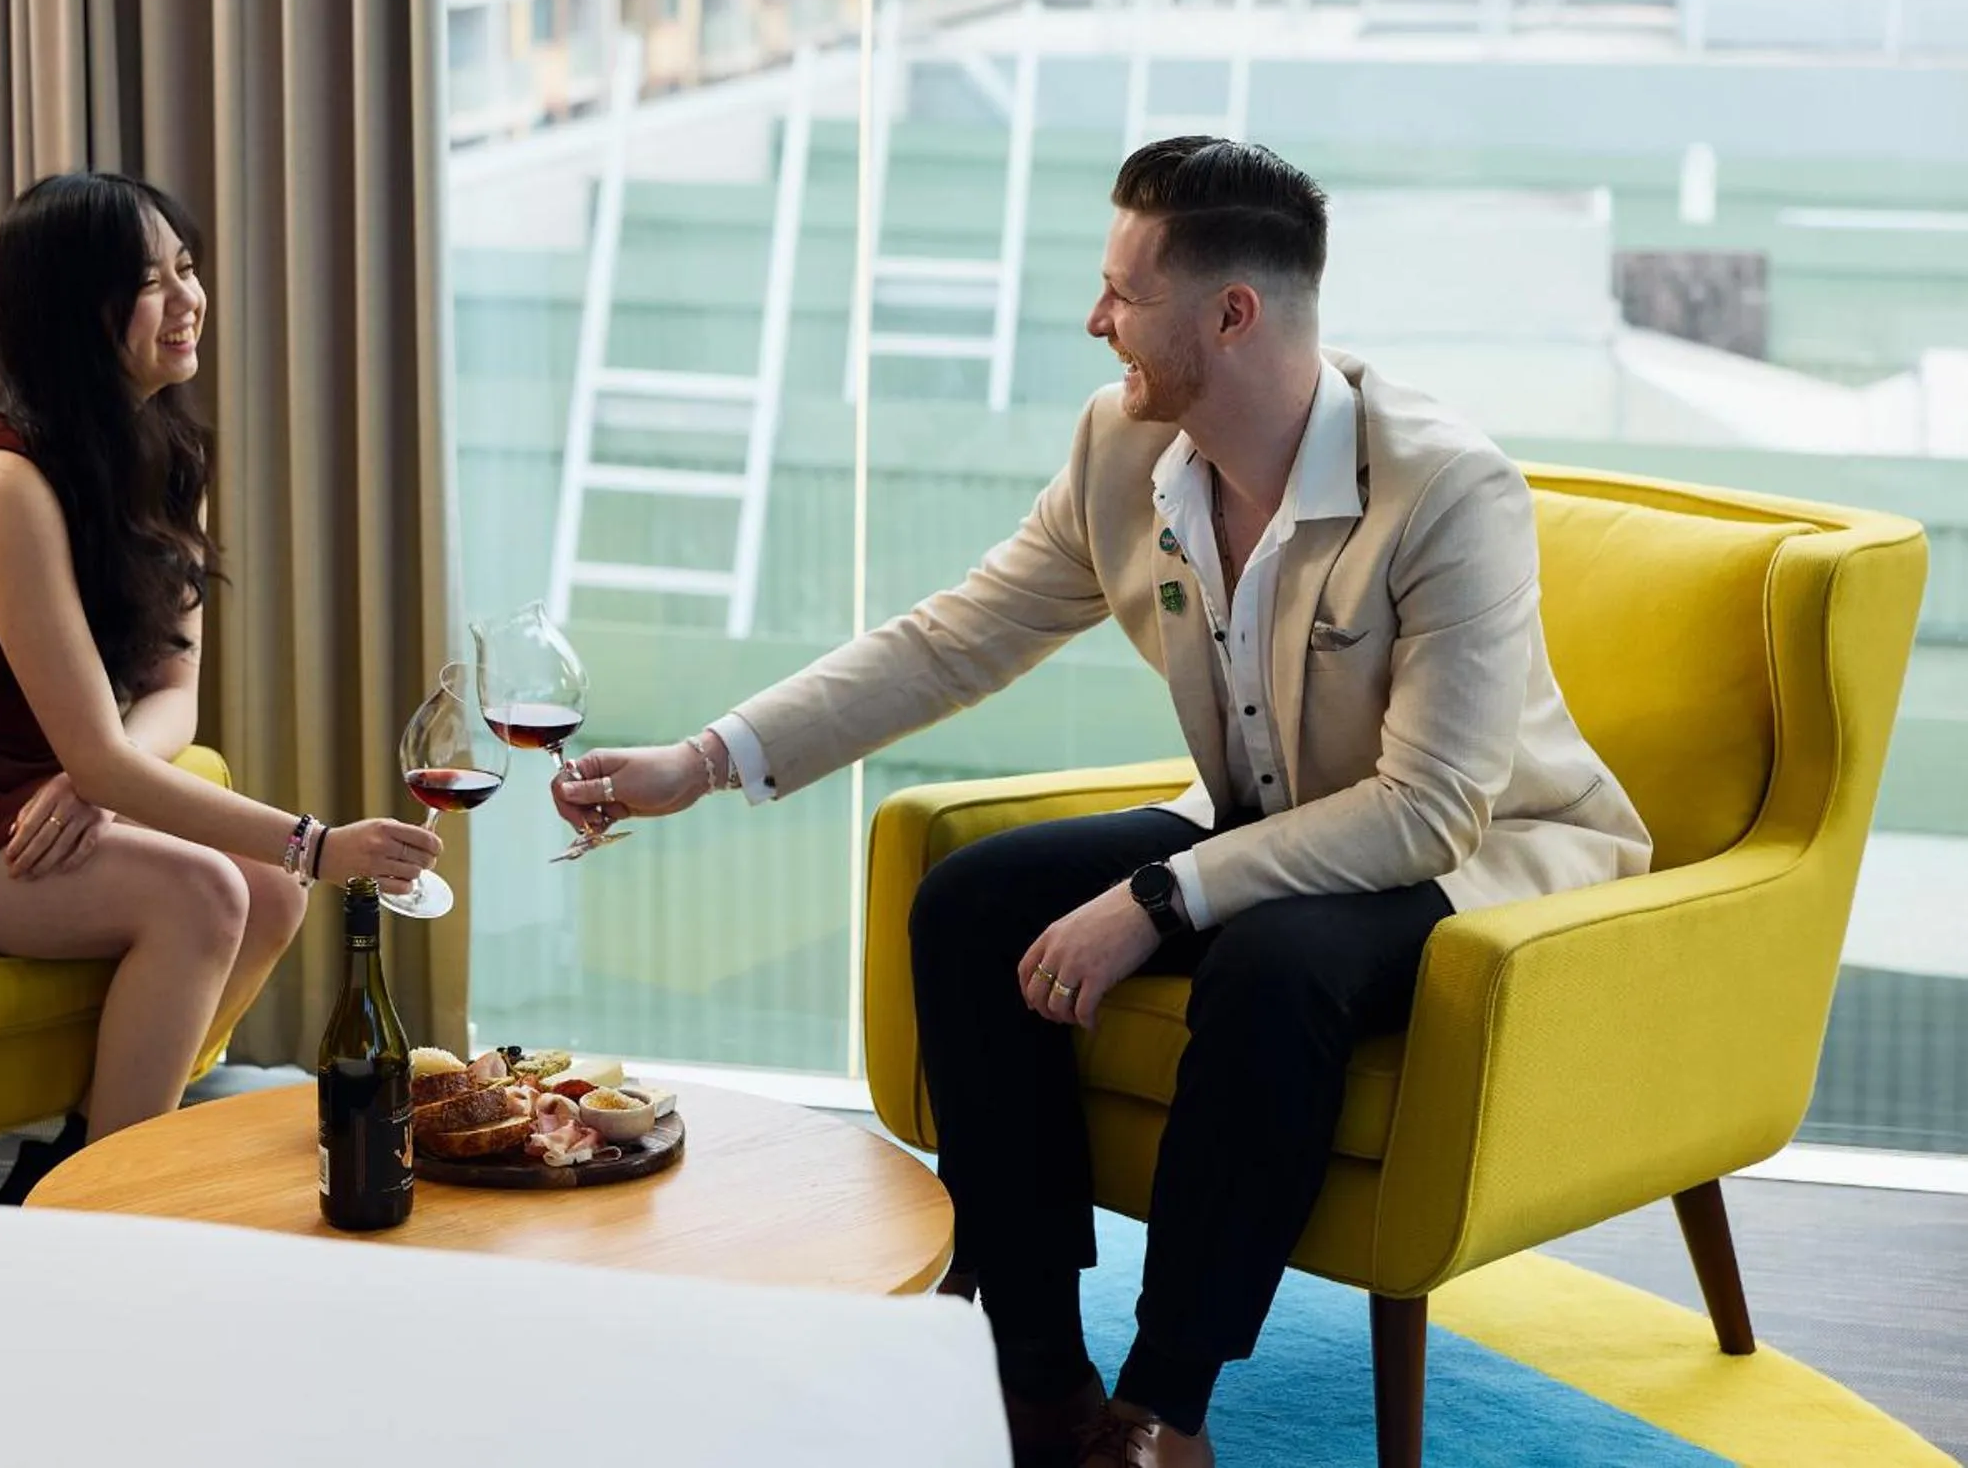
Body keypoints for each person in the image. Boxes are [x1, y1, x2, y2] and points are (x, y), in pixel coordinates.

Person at [552, 138, 1652, 1467]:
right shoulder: (1123, 447)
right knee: (969, 901)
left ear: (1231, 314)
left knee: (1273, 962)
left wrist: (1155, 898)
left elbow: (1425, 809)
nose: (1095, 319)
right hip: (1262, 821)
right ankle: (1036, 1373)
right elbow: (953, 638)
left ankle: (1163, 1408)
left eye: (1124, 292)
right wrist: (705, 758)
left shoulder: (1447, 490)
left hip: (1476, 854)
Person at [0, 171, 438, 1206]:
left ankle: (73, 1166)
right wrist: (319, 842)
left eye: (186, 268)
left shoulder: (170, 458)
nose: (186, 298)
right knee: (207, 890)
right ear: (74, 313)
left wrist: (98, 777)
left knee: (268, 889)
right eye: (148, 283)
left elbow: (172, 697)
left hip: (10, 785)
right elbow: (102, 748)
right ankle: (111, 1212)